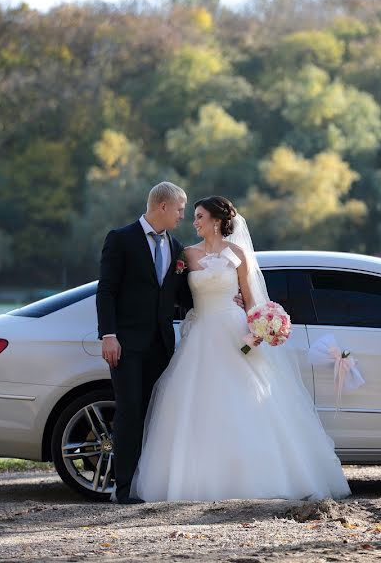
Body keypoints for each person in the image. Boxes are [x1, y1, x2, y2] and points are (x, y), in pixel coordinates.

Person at [132, 196, 350, 502]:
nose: (194, 222)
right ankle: (199, 481)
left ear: (217, 221)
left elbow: (249, 298)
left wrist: (259, 328)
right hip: (202, 333)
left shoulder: (238, 254)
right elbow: (176, 294)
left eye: (199, 216)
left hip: (235, 334)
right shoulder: (186, 254)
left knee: (249, 400)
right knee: (196, 404)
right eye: (193, 216)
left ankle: (259, 478)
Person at [95, 182, 196, 504]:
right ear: (162, 207)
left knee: (158, 414)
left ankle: (149, 484)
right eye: (180, 209)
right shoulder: (121, 239)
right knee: (129, 413)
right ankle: (123, 490)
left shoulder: (177, 246)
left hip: (162, 345)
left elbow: (180, 295)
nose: (183, 215)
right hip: (126, 345)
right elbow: (106, 291)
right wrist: (108, 335)